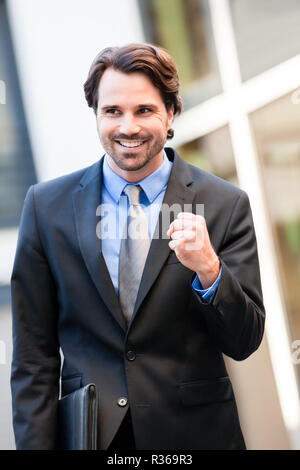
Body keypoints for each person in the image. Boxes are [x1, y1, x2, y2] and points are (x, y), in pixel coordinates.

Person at [10, 43, 265, 450]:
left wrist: (210, 271)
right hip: (93, 437)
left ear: (171, 113)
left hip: (195, 437)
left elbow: (245, 340)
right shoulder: (46, 208)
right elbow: (32, 360)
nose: (127, 126)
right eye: (113, 111)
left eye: (143, 110)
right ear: (96, 114)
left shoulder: (224, 204)